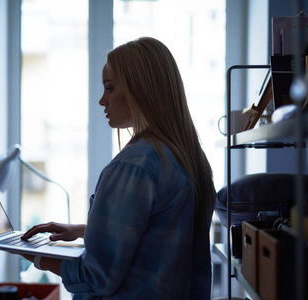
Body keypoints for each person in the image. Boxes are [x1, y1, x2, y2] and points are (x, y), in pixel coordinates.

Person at [20, 37, 216, 299]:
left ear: (141, 90)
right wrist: (83, 230)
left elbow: (95, 278)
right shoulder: (190, 159)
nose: (103, 100)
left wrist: (34, 256)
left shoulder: (133, 167)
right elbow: (160, 237)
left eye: (110, 88)